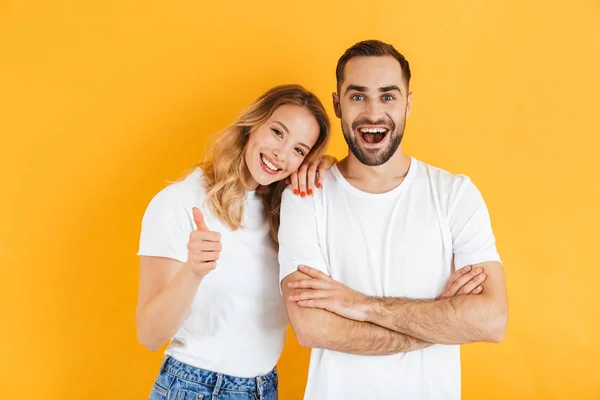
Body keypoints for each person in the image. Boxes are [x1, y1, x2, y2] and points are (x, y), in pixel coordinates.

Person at [279, 40, 508, 400]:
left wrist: (357, 303)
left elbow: (492, 320)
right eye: (358, 97)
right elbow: (311, 328)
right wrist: (441, 323)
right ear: (337, 105)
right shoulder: (305, 196)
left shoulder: (454, 194)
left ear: (408, 104)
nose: (373, 112)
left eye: (388, 96)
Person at [136, 84, 334, 400]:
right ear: (252, 125)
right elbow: (148, 334)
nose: (281, 155)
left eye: (299, 150)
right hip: (196, 389)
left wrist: (331, 171)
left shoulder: (289, 213)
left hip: (264, 388)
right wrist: (193, 271)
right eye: (278, 133)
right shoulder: (179, 202)